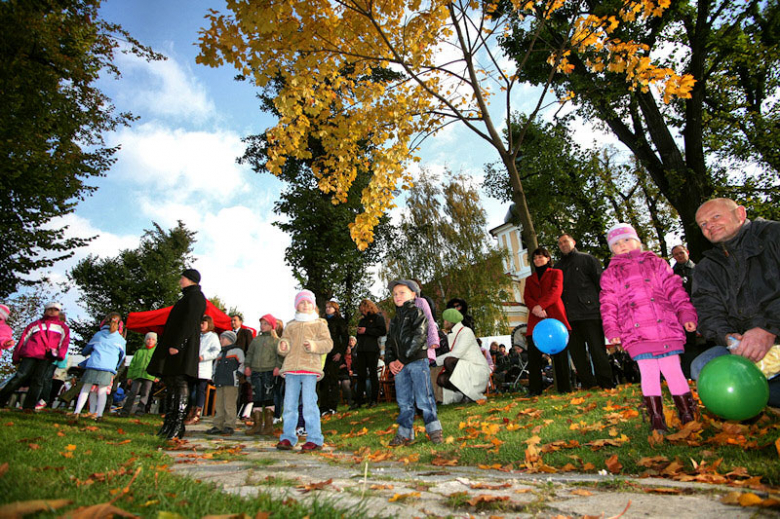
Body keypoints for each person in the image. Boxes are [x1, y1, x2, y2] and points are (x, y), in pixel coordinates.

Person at [600, 224, 698, 432]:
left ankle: (687, 412)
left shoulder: (657, 264)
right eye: (616, 244)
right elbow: (608, 303)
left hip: (665, 325)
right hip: (636, 331)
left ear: (637, 241)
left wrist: (686, 313)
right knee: (648, 372)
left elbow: (675, 290)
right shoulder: (611, 274)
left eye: (626, 240)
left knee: (673, 369)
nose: (623, 246)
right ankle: (656, 416)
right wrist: (612, 329)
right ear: (611, 249)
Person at [691, 198, 780, 408]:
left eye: (715, 217)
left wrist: (769, 329)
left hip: (774, 331)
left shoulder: (774, 236)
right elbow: (707, 311)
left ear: (740, 213)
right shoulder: (707, 268)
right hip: (746, 347)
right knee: (702, 368)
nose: (709, 225)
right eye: (703, 224)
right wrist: (729, 339)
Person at [147, 268, 207, 440]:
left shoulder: (196, 297)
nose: (180, 281)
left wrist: (177, 343)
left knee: (180, 382)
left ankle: (178, 424)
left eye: (183, 278)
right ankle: (170, 423)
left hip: (182, 347)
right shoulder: (187, 297)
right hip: (176, 345)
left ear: (190, 279)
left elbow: (189, 323)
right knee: (172, 382)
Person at [385, 279, 443, 446]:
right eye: (395, 294)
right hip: (399, 366)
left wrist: (403, 359)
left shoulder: (417, 313)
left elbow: (418, 337)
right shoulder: (395, 320)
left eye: (402, 292)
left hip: (417, 360)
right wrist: (390, 361)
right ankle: (405, 433)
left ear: (414, 294)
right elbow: (389, 342)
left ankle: (434, 430)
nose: (397, 296)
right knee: (404, 401)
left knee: (424, 398)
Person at [554, 234, 614, 390]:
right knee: (578, 355)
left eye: (565, 241)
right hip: (570, 318)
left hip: (591, 313)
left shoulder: (587, 259)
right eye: (560, 243)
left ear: (573, 242)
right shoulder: (557, 267)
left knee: (597, 351)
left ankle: (606, 383)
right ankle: (588, 384)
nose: (563, 245)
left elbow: (601, 284)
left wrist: (605, 307)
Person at [276, 290, 333, 451]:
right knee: (289, 405)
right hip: (292, 368)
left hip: (309, 367)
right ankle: (288, 437)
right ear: (296, 305)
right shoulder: (291, 325)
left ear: (313, 305)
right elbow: (285, 341)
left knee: (309, 404)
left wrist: (314, 346)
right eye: (302, 302)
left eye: (308, 302)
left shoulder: (319, 324)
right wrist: (283, 345)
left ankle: (315, 438)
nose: (305, 305)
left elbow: (327, 344)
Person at [0, 302, 70, 411]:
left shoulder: (63, 328)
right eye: (50, 309)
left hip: (46, 357)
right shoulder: (35, 324)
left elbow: (64, 343)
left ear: (58, 312)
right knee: (20, 376)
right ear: (45, 310)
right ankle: (1, 400)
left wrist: (60, 355)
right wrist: (16, 356)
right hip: (31, 353)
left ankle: (29, 406)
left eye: (55, 310)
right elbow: (23, 340)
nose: (52, 311)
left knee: (38, 381)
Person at [524, 247, 573, 395]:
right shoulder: (529, 279)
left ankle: (565, 388)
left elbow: (556, 291)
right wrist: (535, 308)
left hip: (555, 316)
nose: (538, 260)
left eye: (541, 257)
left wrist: (541, 305)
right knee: (533, 355)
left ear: (547, 258)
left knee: (560, 357)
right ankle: (535, 390)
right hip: (535, 319)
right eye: (535, 258)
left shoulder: (556, 273)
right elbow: (527, 297)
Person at [72, 313, 127, 422]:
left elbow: (85, 351)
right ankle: (99, 415)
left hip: (93, 364)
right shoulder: (121, 340)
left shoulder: (98, 335)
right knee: (102, 391)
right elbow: (122, 357)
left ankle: (76, 412)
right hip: (108, 368)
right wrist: (114, 368)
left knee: (86, 389)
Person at [436, 308, 491, 404]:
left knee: (448, 361)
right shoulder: (451, 335)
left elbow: (456, 354)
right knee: (441, 379)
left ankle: (470, 395)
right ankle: (464, 394)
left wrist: (435, 361)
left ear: (451, 320)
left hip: (477, 370)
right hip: (465, 368)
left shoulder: (466, 331)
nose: (444, 322)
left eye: (445, 320)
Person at [244, 314, 282, 436]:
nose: (262, 326)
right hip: (255, 371)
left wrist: (277, 366)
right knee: (257, 397)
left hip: (269, 371)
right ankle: (257, 425)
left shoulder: (276, 341)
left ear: (272, 326)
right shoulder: (256, 340)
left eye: (265, 323)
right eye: (261, 323)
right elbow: (249, 354)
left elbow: (280, 355)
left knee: (268, 396)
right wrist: (248, 366)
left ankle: (269, 425)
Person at [205, 331, 245, 436]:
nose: (220, 340)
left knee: (229, 404)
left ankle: (229, 425)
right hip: (220, 381)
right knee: (219, 404)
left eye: (223, 338)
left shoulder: (237, 351)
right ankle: (218, 425)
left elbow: (242, 363)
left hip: (231, 382)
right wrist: (213, 376)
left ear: (230, 339)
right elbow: (215, 366)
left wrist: (238, 374)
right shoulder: (220, 353)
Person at [671, 244, 701, 378]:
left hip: (699, 309)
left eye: (681, 253)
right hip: (681, 314)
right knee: (687, 344)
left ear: (687, 252)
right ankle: (688, 373)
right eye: (676, 255)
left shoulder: (698, 270)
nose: (679, 256)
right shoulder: (671, 273)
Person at [184, 316, 221, 425]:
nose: (201, 326)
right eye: (200, 323)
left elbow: (216, 351)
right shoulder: (196, 335)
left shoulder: (212, 337)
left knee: (200, 391)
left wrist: (204, 357)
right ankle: (189, 411)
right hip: (192, 367)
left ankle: (197, 414)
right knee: (190, 391)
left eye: (203, 323)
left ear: (208, 324)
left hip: (203, 367)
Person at [351, 299, 386, 410]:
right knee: (360, 375)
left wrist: (367, 331)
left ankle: (374, 400)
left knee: (372, 375)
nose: (362, 311)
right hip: (361, 350)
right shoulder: (362, 320)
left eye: (363, 309)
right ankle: (358, 400)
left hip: (372, 350)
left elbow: (382, 331)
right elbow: (358, 335)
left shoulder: (378, 318)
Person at [120, 332, 159, 417]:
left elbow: (158, 365)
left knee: (145, 394)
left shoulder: (156, 353)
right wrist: (130, 377)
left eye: (152, 339)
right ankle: (125, 411)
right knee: (132, 393)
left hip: (149, 376)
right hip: (137, 375)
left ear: (155, 341)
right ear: (145, 340)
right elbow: (132, 365)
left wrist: (157, 376)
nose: (150, 341)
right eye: (148, 339)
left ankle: (140, 412)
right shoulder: (139, 352)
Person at [321, 301, 349, 415]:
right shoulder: (322, 322)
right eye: (326, 307)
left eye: (330, 307)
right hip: (323, 354)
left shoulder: (340, 321)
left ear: (335, 309)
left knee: (333, 380)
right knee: (323, 381)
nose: (328, 309)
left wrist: (340, 353)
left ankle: (333, 406)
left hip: (334, 353)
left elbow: (345, 338)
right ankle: (323, 406)